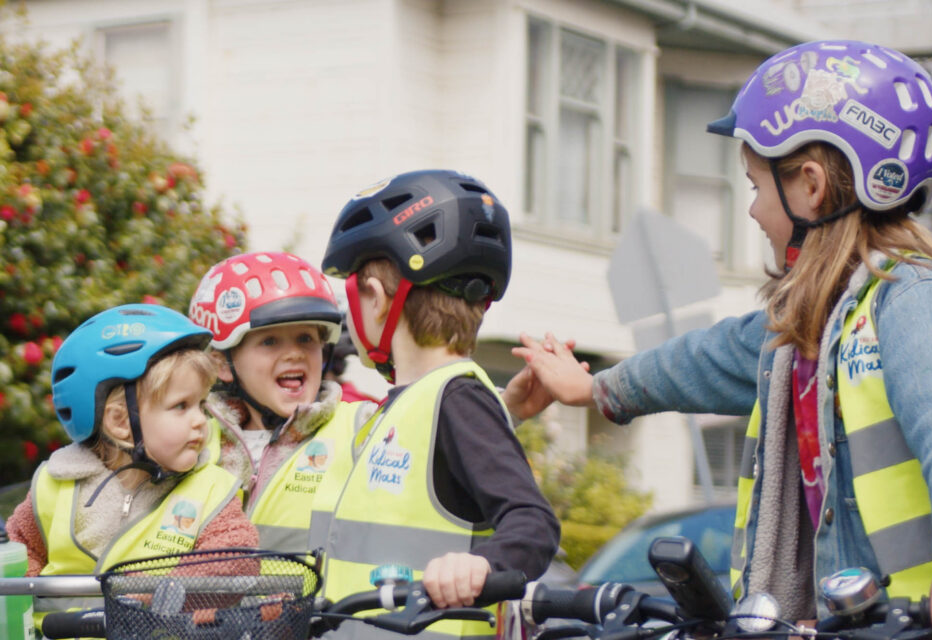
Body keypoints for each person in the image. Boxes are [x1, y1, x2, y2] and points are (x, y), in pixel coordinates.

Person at [509, 39, 932, 636]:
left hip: (919, 622)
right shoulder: (805, 331)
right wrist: (594, 388)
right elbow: (699, 360)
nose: (751, 211)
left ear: (810, 185)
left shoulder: (913, 298)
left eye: (755, 186)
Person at [318, 169, 560, 638]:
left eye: (350, 293)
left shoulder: (457, 399)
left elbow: (533, 524)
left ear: (375, 300)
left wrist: (478, 566)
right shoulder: (422, 404)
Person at [5, 303, 257, 617]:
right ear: (121, 421)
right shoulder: (54, 485)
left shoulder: (211, 489)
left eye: (201, 405)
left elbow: (235, 557)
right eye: (181, 406)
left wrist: (157, 594)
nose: (201, 421)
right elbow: (18, 553)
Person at [188, 251, 376, 552]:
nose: (294, 353)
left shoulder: (363, 428)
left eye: (305, 338)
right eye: (270, 341)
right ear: (221, 365)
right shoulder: (193, 439)